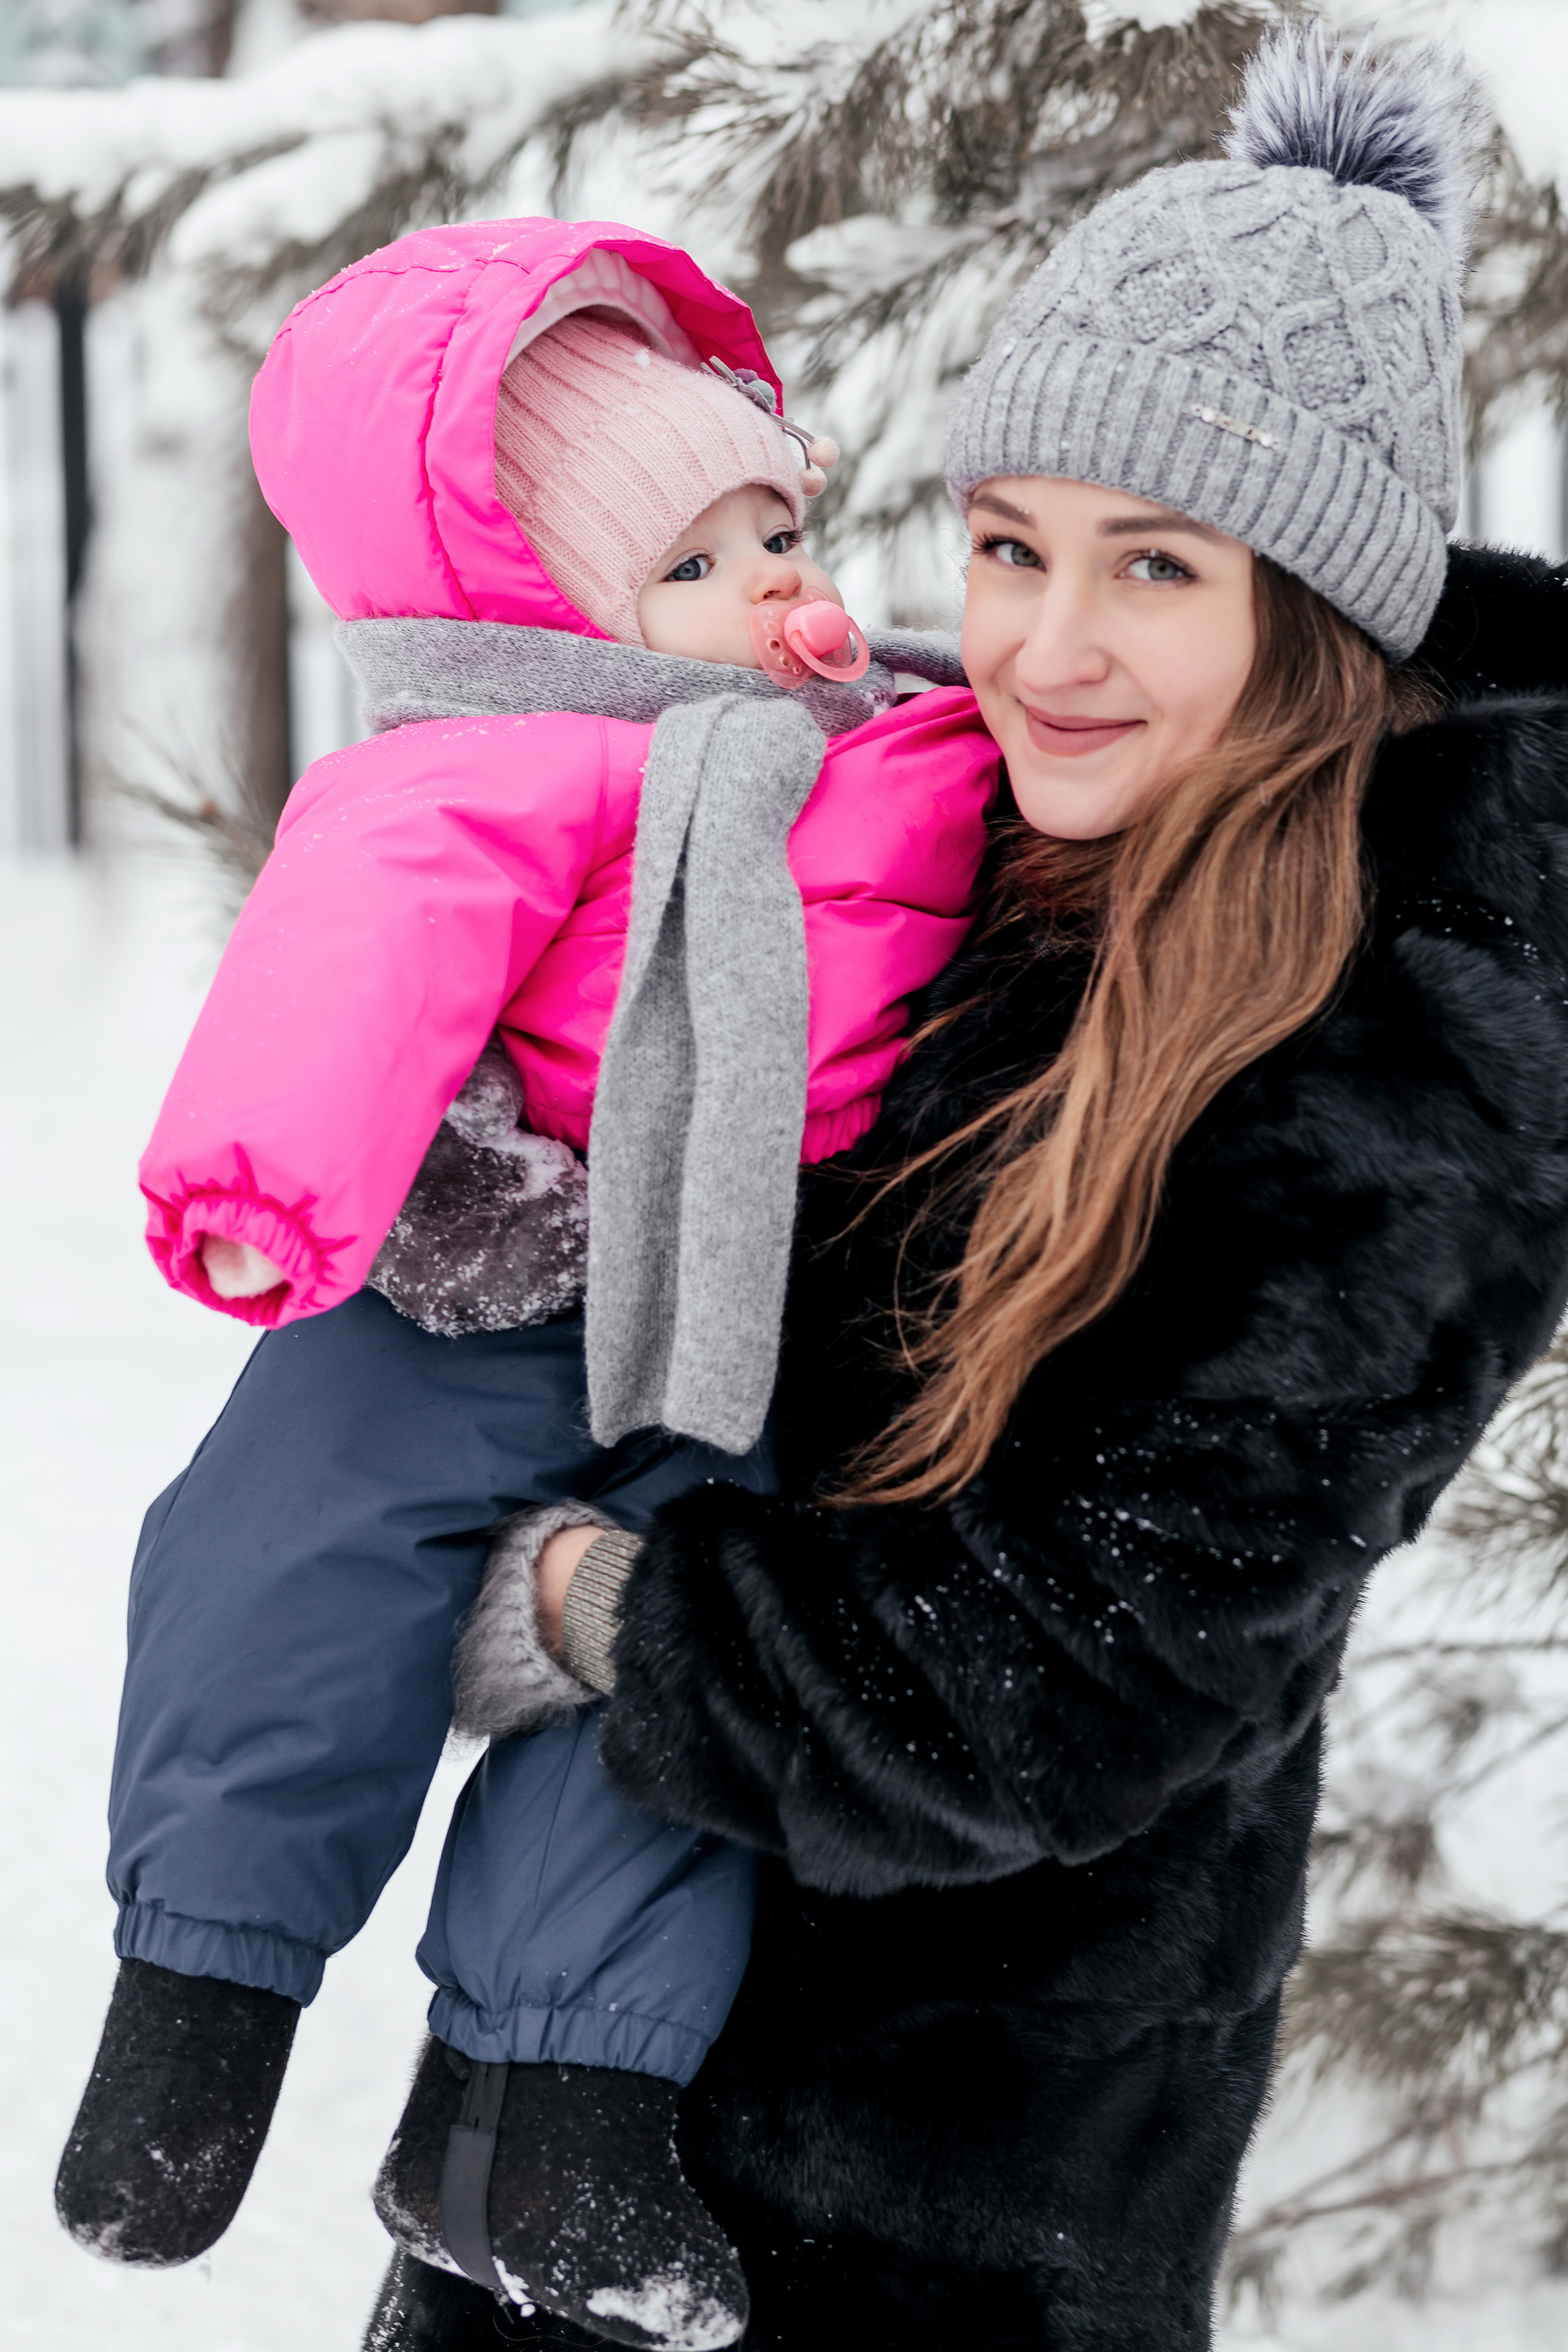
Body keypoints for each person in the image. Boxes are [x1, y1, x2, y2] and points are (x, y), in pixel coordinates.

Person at [382, 31, 1568, 2351]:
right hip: (601, 2082)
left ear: (1310, 614)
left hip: (937, 2215)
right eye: (1009, 545)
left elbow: (1076, 1672)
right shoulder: (964, 857)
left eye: (1154, 567)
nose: (1043, 641)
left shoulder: (1402, 1050)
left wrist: (610, 1608)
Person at [52, 219, 999, 2351]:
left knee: (672, 1672)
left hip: (724, 1319)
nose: (772, 584)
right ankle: (199, 1999)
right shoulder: (502, 758)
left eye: (775, 523)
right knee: (290, 1548)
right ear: (536, 609)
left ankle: (548, 2113)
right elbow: (352, 952)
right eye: (694, 564)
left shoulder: (887, 741)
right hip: (481, 1278)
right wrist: (266, 1186)